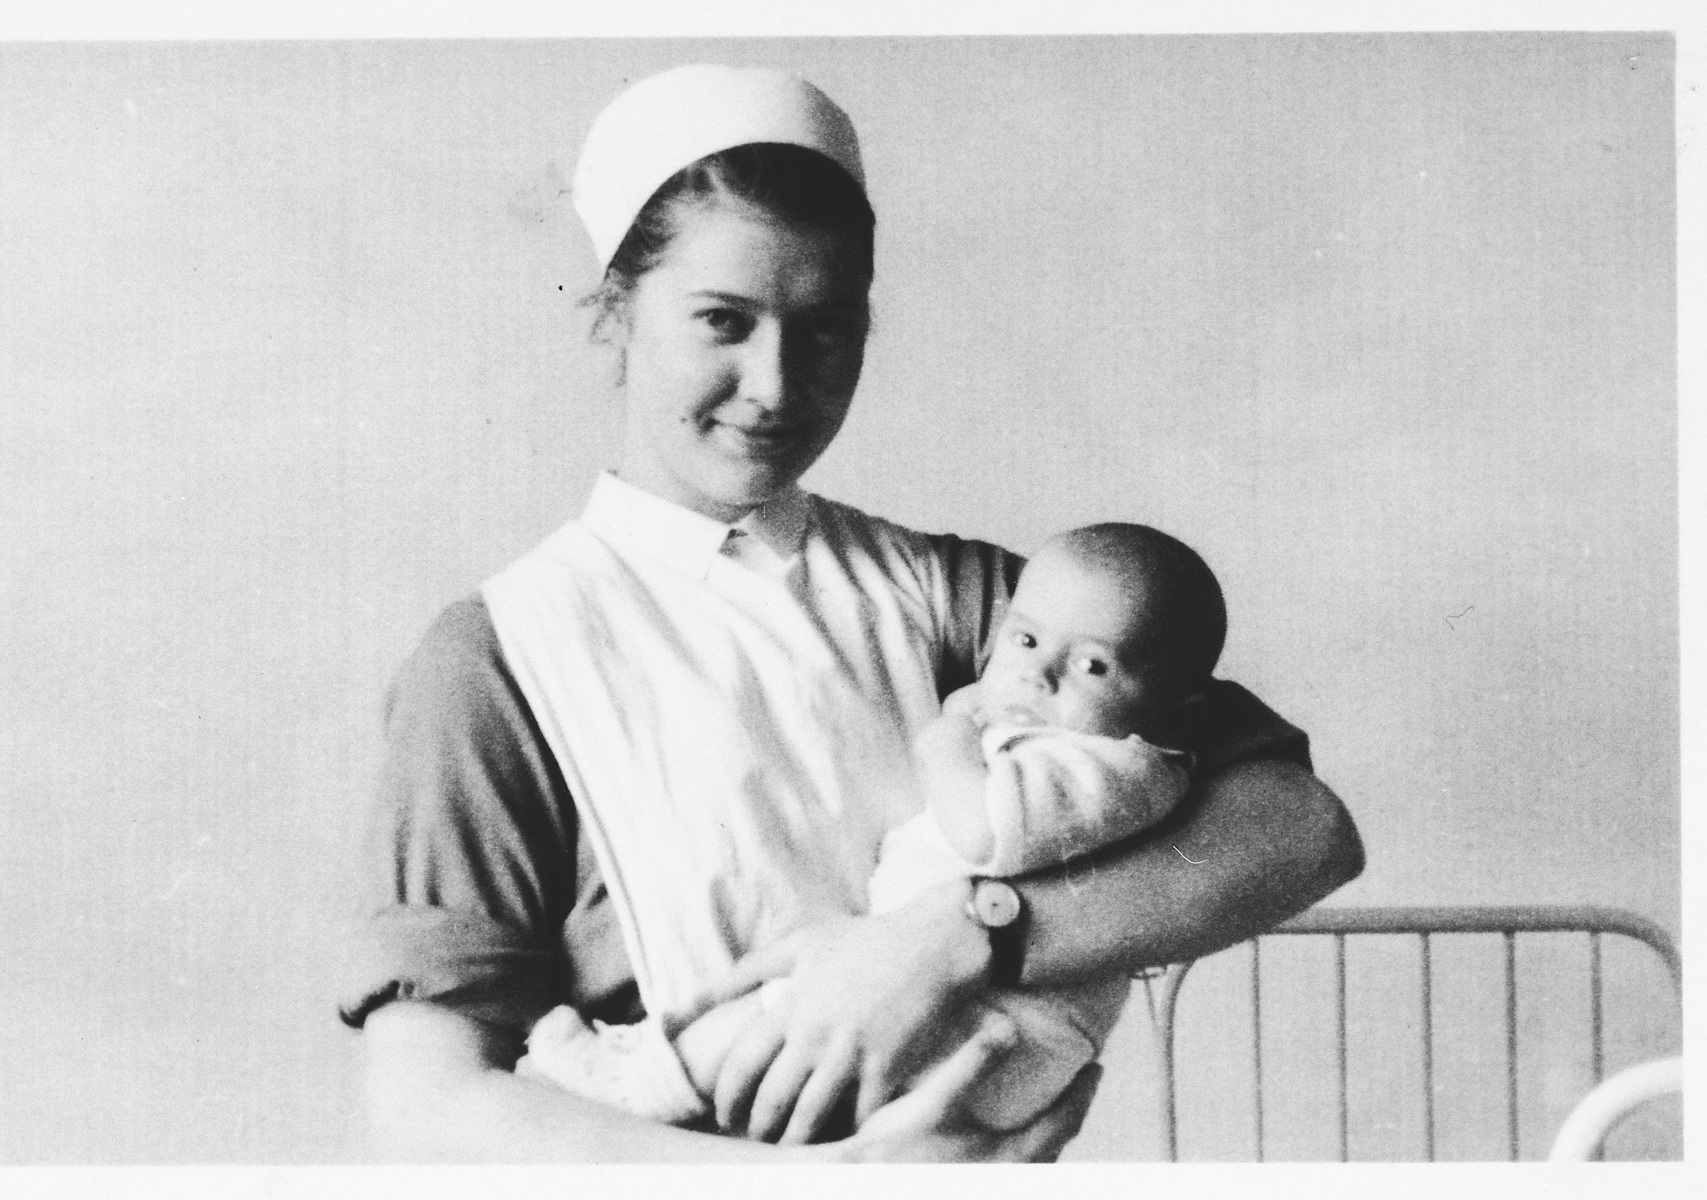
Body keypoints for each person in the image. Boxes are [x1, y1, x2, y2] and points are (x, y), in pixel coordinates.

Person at [341, 64, 1364, 1163]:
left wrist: (956, 941)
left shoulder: (966, 605)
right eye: (721, 321)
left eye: (826, 328)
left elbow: (1302, 830)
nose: (776, 384)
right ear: (612, 315)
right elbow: (428, 1108)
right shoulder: (498, 659)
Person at [513, 522, 1226, 1134]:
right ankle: (639, 1071)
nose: (1037, 676)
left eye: (1093, 666)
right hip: (985, 1022)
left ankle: (634, 1087)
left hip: (994, 1025)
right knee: (783, 1028)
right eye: (1026, 640)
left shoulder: (1110, 768)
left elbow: (984, 832)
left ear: (1179, 705)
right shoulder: (1078, 737)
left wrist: (946, 738)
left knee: (778, 1029)